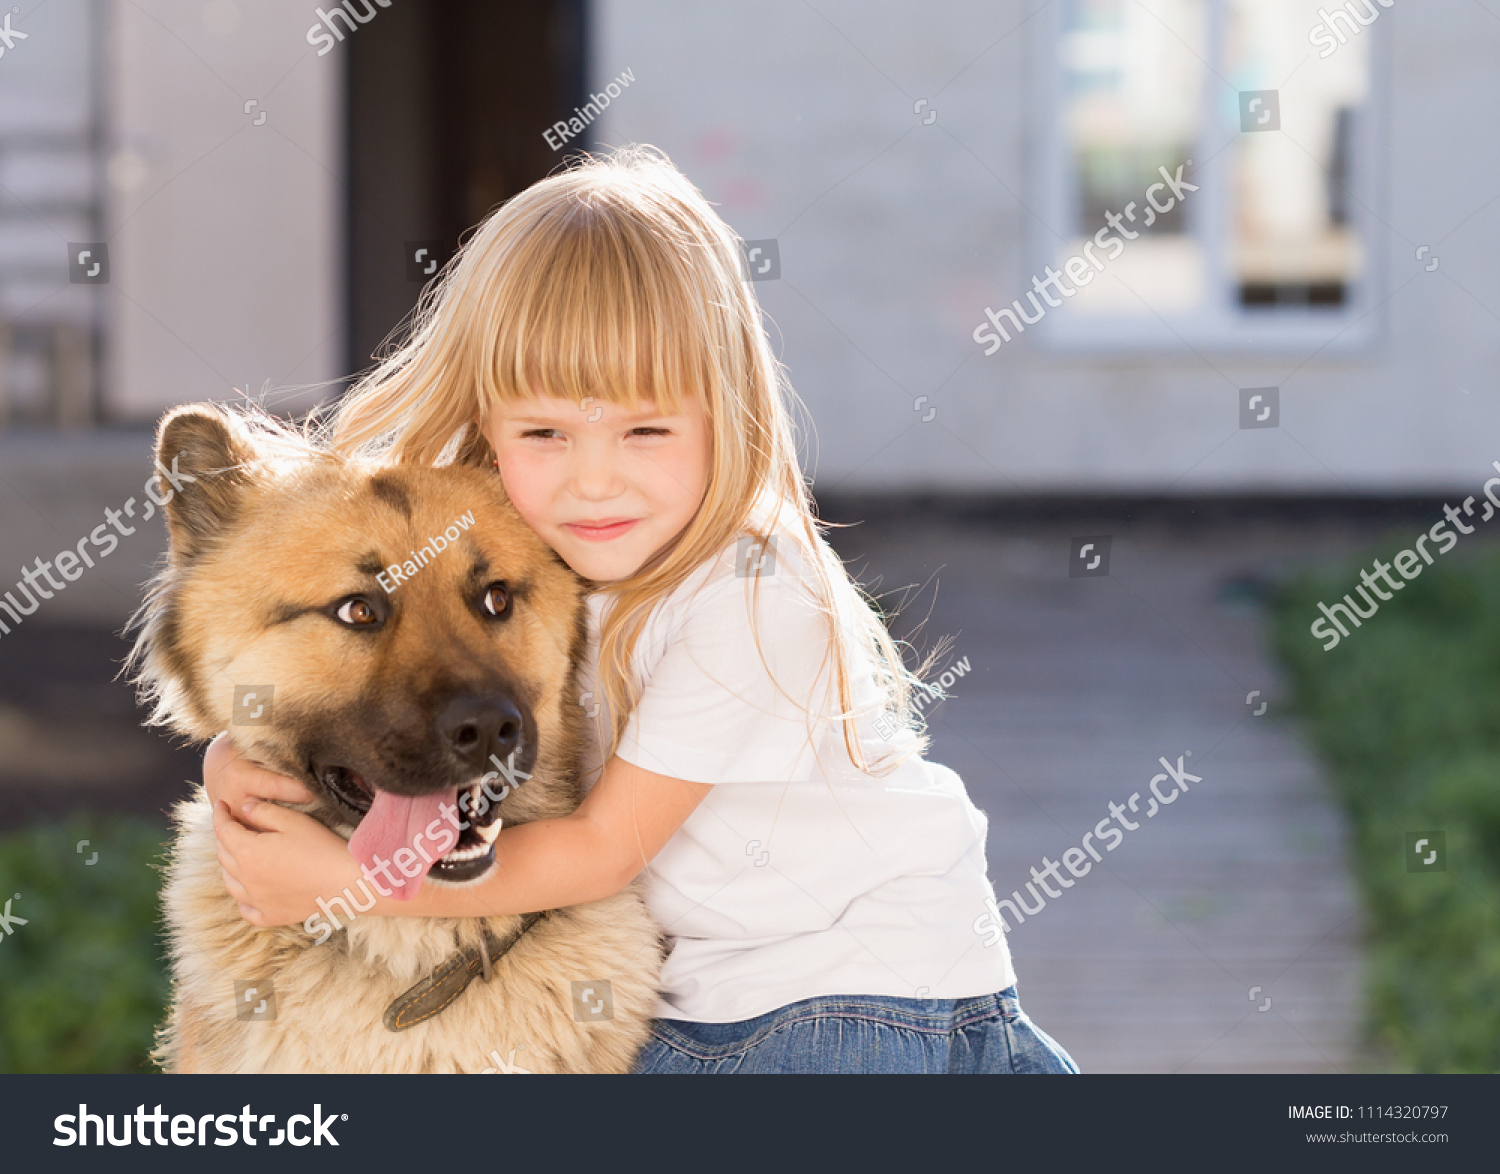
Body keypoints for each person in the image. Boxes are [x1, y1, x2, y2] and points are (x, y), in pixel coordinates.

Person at [206, 144, 1078, 1074]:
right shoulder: (546, 560)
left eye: (645, 431)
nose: (593, 481)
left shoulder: (749, 591)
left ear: (725, 410)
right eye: (545, 432)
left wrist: (340, 885)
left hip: (853, 1000)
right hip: (714, 1002)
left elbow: (597, 852)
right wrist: (241, 753)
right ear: (488, 425)